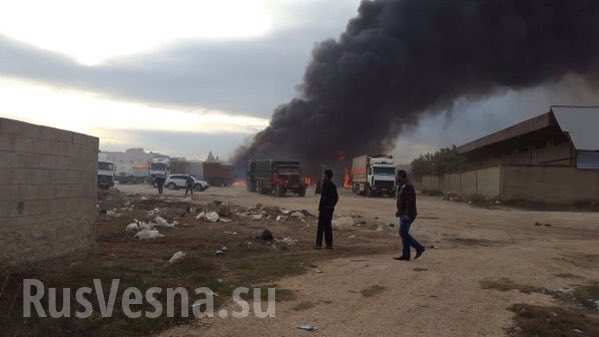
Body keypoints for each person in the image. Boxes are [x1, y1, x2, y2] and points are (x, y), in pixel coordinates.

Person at [394, 170, 425, 261]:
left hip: (408, 214)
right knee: (404, 233)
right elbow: (401, 201)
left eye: (398, 176)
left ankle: (419, 248)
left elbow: (409, 202)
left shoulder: (408, 186)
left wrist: (406, 214)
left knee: (402, 233)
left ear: (402, 177)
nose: (397, 178)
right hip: (403, 213)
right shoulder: (401, 186)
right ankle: (406, 255)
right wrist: (399, 211)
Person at [315, 169, 338, 249]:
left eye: (325, 175)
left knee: (321, 227)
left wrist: (328, 206)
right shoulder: (331, 185)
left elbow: (332, 198)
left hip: (325, 209)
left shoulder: (328, 184)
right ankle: (329, 244)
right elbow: (335, 198)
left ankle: (319, 244)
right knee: (328, 227)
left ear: (327, 176)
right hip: (327, 209)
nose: (323, 177)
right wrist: (331, 206)